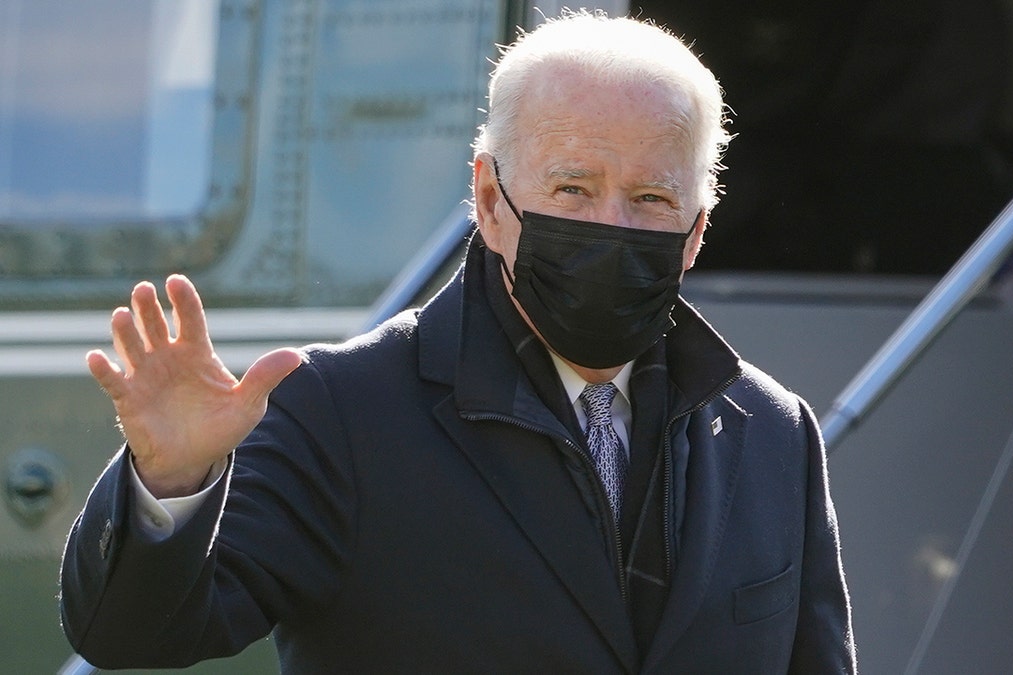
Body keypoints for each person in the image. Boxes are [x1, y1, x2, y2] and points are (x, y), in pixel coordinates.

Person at [59, 12, 856, 673]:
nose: (610, 226)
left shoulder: (772, 432)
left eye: (650, 198)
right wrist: (170, 483)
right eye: (572, 188)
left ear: (695, 232)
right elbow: (131, 636)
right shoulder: (341, 411)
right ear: (488, 198)